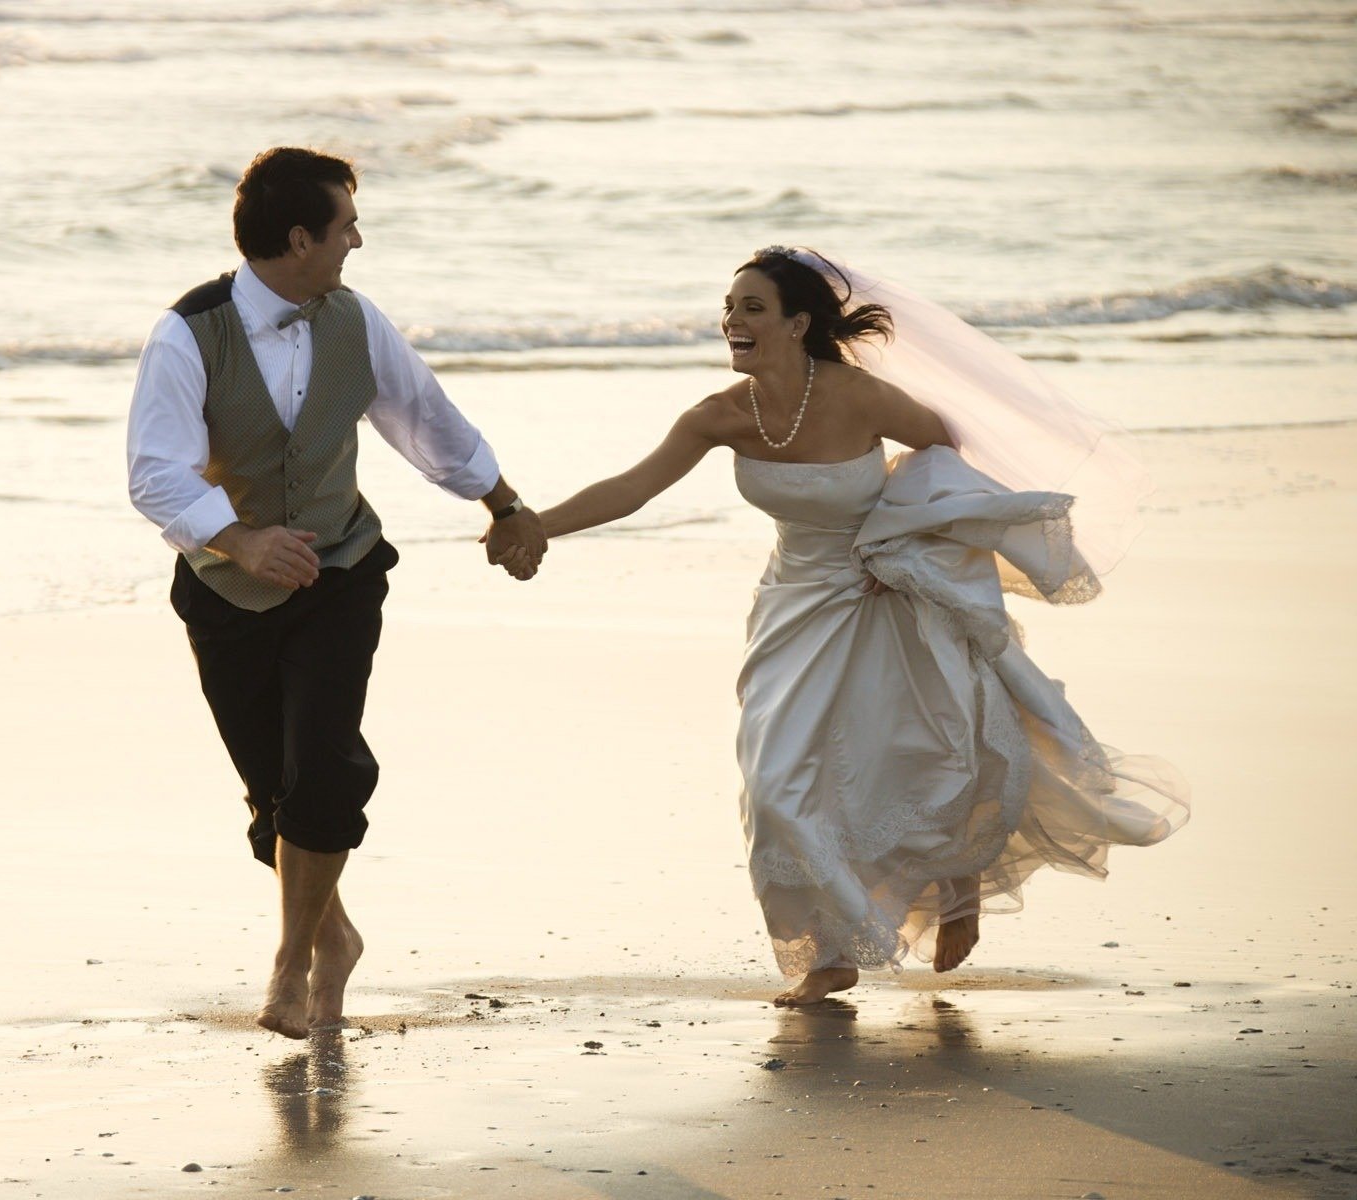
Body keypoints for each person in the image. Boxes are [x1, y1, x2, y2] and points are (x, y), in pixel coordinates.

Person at [534, 247, 1188, 1007]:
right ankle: (832, 952)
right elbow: (631, 487)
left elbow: (943, 449)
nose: (732, 321)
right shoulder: (718, 415)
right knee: (777, 782)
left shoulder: (861, 396)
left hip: (884, 589)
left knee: (920, 753)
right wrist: (534, 527)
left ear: (798, 323)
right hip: (793, 603)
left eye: (752, 308)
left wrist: (903, 538)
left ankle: (957, 887)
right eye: (729, 307)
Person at [126, 147, 547, 1039]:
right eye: (346, 225)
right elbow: (152, 473)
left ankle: (289, 969)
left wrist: (504, 506)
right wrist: (239, 538)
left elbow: (422, 416)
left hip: (342, 572)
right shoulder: (185, 334)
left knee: (325, 766)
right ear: (299, 238)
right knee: (272, 799)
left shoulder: (355, 320)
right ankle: (336, 937)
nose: (359, 238)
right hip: (222, 592)